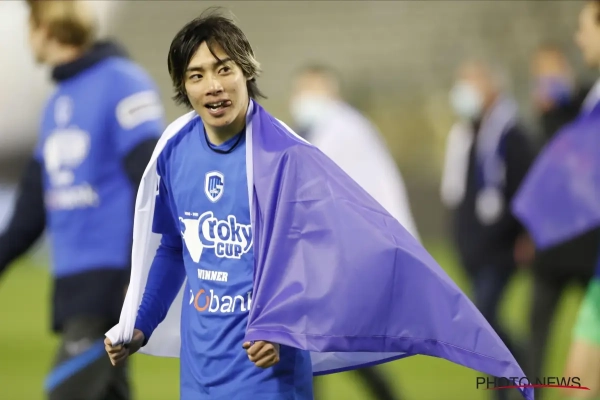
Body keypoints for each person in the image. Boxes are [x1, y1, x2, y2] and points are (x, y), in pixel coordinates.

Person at [105, 9, 533, 400]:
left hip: (267, 380)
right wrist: (140, 323)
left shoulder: (285, 157)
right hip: (198, 380)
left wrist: (284, 328)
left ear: (246, 71)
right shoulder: (175, 152)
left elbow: (320, 259)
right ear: (183, 86)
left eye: (224, 69)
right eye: (197, 75)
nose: (213, 85)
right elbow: (175, 248)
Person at [0, 1, 164, 399]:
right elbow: (30, 210)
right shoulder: (57, 101)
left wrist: (139, 274)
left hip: (112, 283)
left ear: (45, 28)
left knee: (66, 392)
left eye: (30, 26)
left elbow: (152, 182)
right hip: (74, 288)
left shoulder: (123, 82)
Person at [289, 64, 416, 400]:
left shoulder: (341, 130)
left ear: (332, 91)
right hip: (341, 251)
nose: (303, 98)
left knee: (321, 342)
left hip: (351, 251)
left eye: (312, 90)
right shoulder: (329, 129)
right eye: (301, 90)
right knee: (327, 342)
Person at [512, 1, 600, 397]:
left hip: (585, 248)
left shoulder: (584, 102)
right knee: (573, 382)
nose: (579, 38)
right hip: (557, 250)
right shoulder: (580, 103)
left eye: (584, 28)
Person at [440, 59, 535, 400]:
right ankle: (521, 378)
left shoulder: (512, 136)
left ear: (493, 88)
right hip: (473, 248)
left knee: (486, 321)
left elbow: (526, 190)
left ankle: (520, 378)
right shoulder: (465, 135)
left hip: (501, 247)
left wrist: (526, 234)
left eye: (472, 83)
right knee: (486, 323)